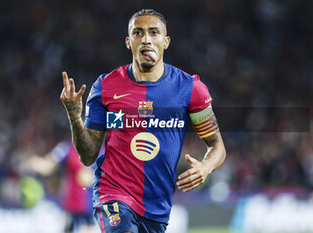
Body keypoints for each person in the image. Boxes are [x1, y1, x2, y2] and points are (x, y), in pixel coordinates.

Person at [60, 9, 226, 233]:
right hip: (113, 193)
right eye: (138, 33)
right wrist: (74, 117)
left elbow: (217, 145)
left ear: (166, 41)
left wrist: (205, 168)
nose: (146, 39)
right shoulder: (106, 87)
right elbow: (88, 156)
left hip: (157, 206)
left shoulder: (190, 89)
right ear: (129, 42)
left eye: (154, 32)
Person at [28, 140, 98, 233]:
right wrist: (37, 164)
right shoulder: (66, 148)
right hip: (71, 206)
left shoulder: (98, 151)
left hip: (88, 207)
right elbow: (48, 165)